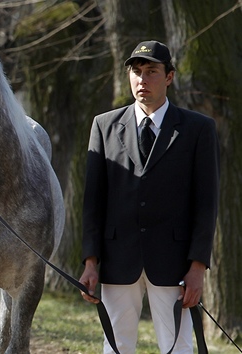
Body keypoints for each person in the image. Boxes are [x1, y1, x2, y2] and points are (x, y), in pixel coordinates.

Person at [78, 40, 220, 354]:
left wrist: (197, 267)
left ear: (169, 76)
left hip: (174, 262)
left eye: (152, 71)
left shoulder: (198, 129)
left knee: (178, 347)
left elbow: (206, 203)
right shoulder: (104, 126)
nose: (142, 79)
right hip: (118, 259)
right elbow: (93, 201)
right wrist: (90, 261)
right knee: (116, 347)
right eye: (137, 71)